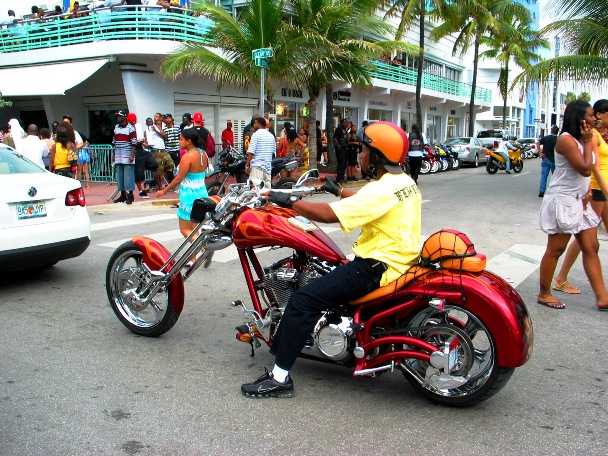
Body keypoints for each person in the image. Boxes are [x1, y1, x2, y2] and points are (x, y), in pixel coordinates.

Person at [241, 121, 421, 398]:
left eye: (363, 150)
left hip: (376, 266)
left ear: (377, 155)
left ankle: (279, 378)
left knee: (303, 300)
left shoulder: (381, 189)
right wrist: (338, 191)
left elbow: (328, 215)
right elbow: (366, 199)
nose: (360, 155)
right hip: (401, 261)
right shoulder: (403, 183)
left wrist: (285, 201)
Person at [537, 100, 608, 311]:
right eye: (589, 115)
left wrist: (587, 190)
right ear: (578, 118)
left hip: (580, 200)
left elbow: (590, 170)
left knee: (591, 246)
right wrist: (587, 142)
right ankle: (544, 293)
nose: (594, 118)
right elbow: (585, 169)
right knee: (556, 249)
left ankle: (602, 297)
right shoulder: (566, 141)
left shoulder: (584, 138)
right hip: (563, 200)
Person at [155, 128, 209, 239]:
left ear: (188, 141)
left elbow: (179, 178)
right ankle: (195, 256)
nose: (179, 142)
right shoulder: (203, 153)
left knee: (185, 230)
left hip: (189, 196)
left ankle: (203, 250)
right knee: (195, 230)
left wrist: (164, 191)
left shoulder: (187, 156)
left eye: (181, 139)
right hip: (202, 193)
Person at [129, 112, 157, 199]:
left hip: (142, 149)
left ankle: (142, 169)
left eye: (134, 121)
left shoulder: (138, 126)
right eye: (131, 121)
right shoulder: (128, 128)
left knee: (154, 164)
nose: (133, 123)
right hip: (135, 151)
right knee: (139, 173)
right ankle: (141, 191)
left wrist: (144, 141)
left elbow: (142, 136)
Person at [112, 110, 137, 204]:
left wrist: (132, 155)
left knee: (128, 176)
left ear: (125, 117)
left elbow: (134, 143)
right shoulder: (116, 127)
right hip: (118, 155)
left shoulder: (131, 128)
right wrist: (114, 154)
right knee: (120, 176)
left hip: (127, 155)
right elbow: (114, 142)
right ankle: (122, 195)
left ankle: (130, 195)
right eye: (117, 116)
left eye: (119, 116)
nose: (118, 117)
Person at [144, 117, 174, 190]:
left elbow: (165, 136)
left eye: (160, 124)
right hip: (155, 150)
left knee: (170, 164)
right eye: (149, 122)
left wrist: (157, 130)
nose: (150, 123)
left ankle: (166, 183)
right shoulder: (147, 131)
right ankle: (160, 186)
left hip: (163, 150)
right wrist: (147, 145)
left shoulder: (159, 129)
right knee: (158, 169)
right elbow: (146, 141)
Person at [244, 117, 275, 189]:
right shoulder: (271, 136)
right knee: (267, 191)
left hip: (257, 166)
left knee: (255, 190)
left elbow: (251, 152)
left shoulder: (256, 135)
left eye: (255, 123)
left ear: (260, 124)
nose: (254, 125)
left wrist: (247, 164)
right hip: (267, 167)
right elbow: (273, 152)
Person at [537, 125, 559, 197]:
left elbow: (538, 142)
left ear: (551, 130)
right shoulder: (558, 139)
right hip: (554, 160)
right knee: (555, 176)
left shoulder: (546, 138)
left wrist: (540, 152)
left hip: (545, 158)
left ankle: (542, 191)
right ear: (557, 132)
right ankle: (554, 191)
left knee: (544, 175)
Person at [333, 118, 348, 183]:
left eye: (346, 122)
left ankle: (342, 177)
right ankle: (339, 178)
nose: (345, 123)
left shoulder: (345, 130)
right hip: (340, 148)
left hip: (345, 148)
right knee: (341, 163)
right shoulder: (339, 129)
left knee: (344, 163)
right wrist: (338, 146)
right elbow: (335, 138)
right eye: (344, 122)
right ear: (342, 123)